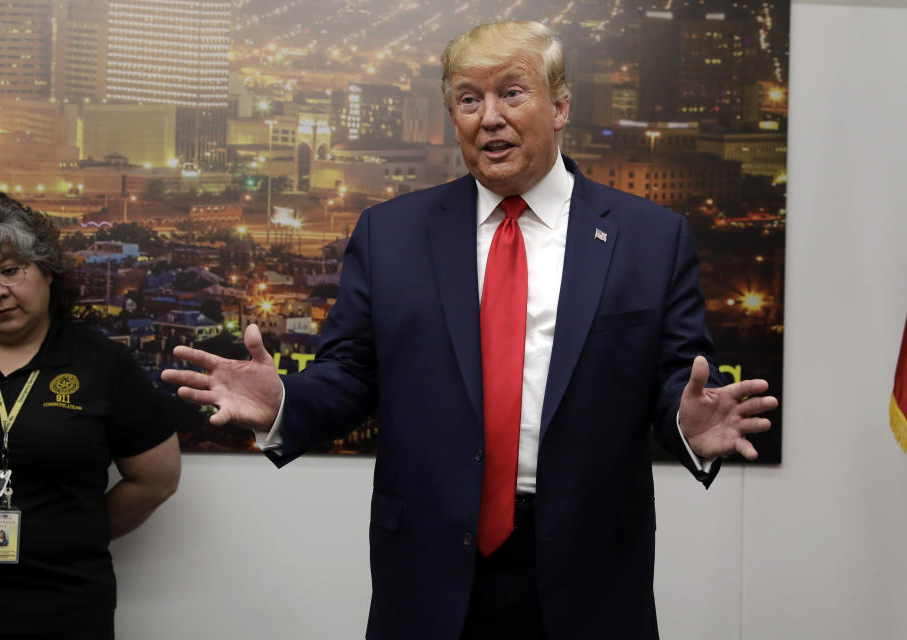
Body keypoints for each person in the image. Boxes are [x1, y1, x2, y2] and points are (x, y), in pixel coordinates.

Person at [163, 21, 778, 639]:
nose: (489, 117)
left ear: (561, 106)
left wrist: (688, 426)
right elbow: (350, 373)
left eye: (512, 93)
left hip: (589, 572)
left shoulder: (650, 238)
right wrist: (283, 404)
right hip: (431, 570)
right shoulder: (391, 234)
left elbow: (679, 379)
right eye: (468, 98)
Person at [0, 192, 181, 639]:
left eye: (11, 270)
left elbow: (158, 480)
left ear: (47, 270)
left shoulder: (103, 364)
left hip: (68, 609)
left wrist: (79, 530)